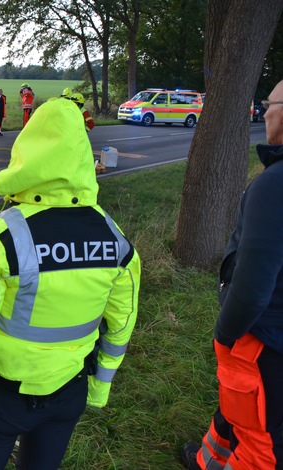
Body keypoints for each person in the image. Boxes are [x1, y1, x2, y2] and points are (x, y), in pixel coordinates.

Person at [0, 97, 141, 470]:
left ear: (27, 154)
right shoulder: (114, 237)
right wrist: (99, 386)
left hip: (3, 398)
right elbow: (121, 323)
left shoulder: (1, 237)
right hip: (69, 391)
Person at [181, 79, 283, 470]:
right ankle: (208, 460)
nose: (264, 111)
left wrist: (225, 333)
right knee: (236, 407)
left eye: (269, 103)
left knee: (259, 434)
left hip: (262, 336)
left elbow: (253, 286)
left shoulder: (274, 185)